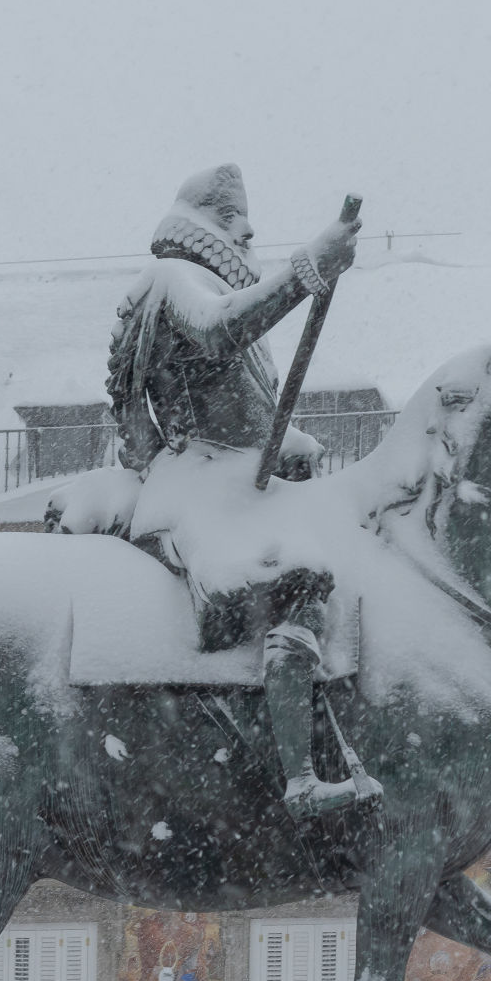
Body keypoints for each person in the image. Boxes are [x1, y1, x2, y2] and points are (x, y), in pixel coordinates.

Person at [104, 163, 375, 819]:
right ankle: (300, 777)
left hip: (232, 476)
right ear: (217, 225)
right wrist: (311, 266)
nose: (251, 239)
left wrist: (295, 447)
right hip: (198, 480)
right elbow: (222, 327)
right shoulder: (175, 281)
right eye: (242, 227)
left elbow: (248, 413)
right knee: (297, 574)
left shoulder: (198, 280)